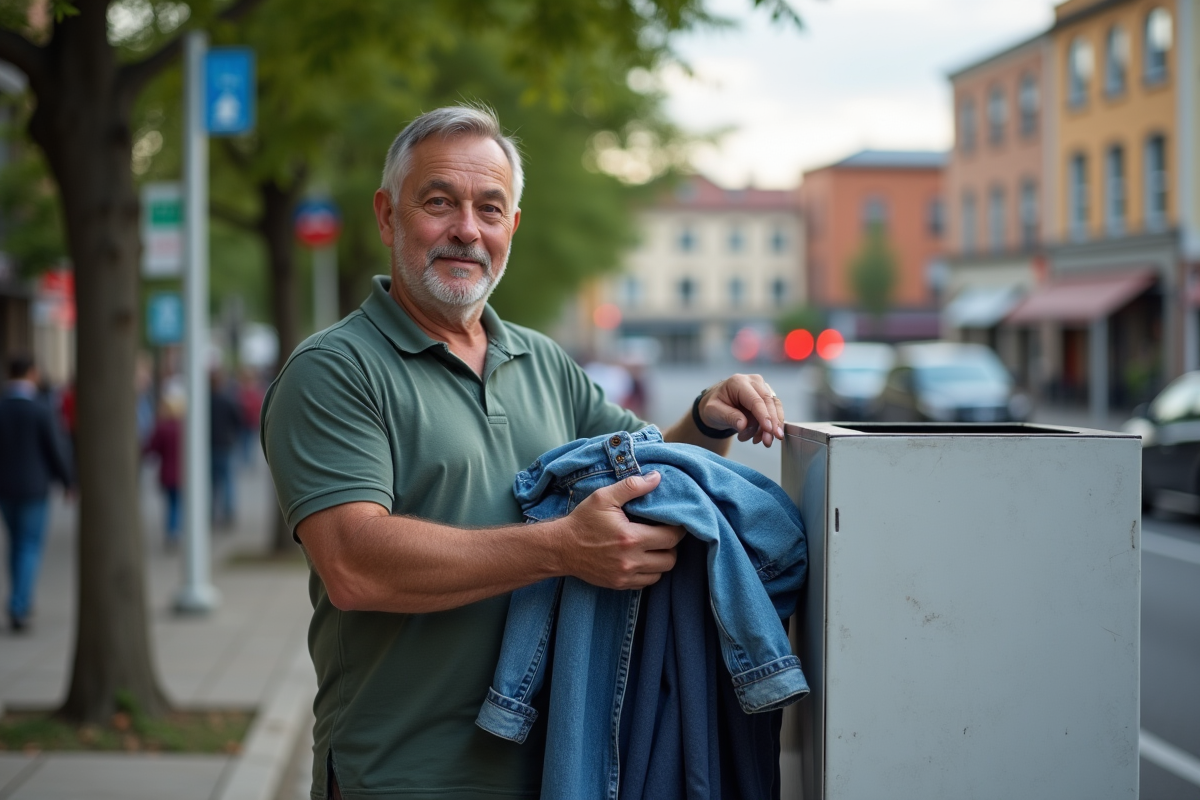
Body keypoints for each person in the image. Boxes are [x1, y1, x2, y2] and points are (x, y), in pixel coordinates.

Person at [261, 105, 786, 800]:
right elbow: (354, 564)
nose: (466, 230)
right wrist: (562, 547)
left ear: (512, 226)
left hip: (562, 773)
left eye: (489, 207)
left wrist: (704, 418)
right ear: (388, 217)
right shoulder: (335, 370)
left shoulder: (540, 358)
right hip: (402, 776)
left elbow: (642, 477)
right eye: (440, 201)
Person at [0, 354, 73, 632]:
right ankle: (19, 604)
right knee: (28, 544)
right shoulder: (41, 409)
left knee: (16, 543)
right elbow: (55, 448)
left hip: (5, 488)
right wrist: (68, 481)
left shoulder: (2, 407)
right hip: (33, 488)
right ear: (31, 373)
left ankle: (19, 598)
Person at [143, 389, 184, 549]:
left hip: (167, 472)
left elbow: (152, 448)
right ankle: (177, 531)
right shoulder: (185, 427)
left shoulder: (161, 427)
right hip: (183, 473)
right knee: (179, 503)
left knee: (171, 504)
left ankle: (172, 531)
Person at [209, 368, 243, 528]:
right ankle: (228, 513)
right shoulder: (227, 400)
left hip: (210, 447)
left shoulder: (204, 402)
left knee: (212, 483)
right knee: (227, 480)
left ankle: (210, 513)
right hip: (225, 445)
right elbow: (237, 420)